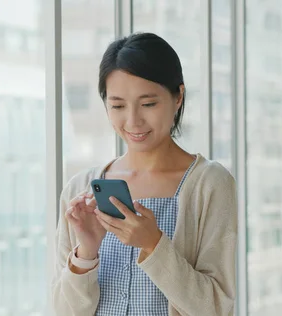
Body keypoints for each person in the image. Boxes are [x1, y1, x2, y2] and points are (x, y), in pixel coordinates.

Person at [51, 32, 237, 316]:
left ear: (178, 97)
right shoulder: (81, 188)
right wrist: (86, 253)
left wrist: (154, 244)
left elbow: (214, 308)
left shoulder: (210, 184)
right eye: (118, 106)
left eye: (148, 104)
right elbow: (62, 311)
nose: (133, 121)